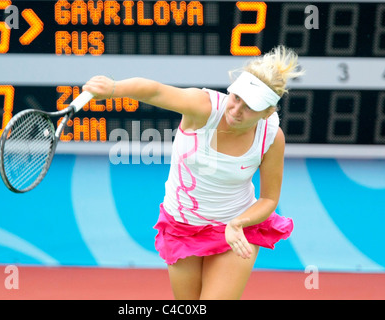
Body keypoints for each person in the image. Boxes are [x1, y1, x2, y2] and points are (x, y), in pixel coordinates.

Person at [82, 45, 303, 300]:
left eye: (250, 106)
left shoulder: (272, 138)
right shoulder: (203, 107)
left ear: (267, 112)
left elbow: (268, 199)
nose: (236, 109)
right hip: (182, 225)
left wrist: (238, 223)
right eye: (236, 97)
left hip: (235, 228)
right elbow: (155, 91)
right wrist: (113, 88)